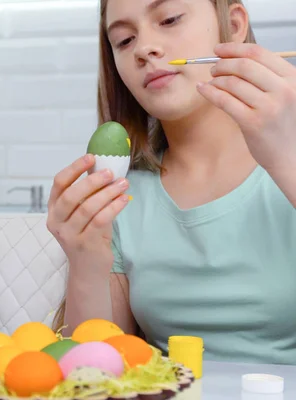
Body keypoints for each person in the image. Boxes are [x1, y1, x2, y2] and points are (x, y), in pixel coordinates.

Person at [49, 0, 296, 364]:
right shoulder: (121, 198)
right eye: (124, 40)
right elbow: (94, 368)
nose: (145, 49)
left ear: (234, 23)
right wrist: (85, 261)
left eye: (169, 19)